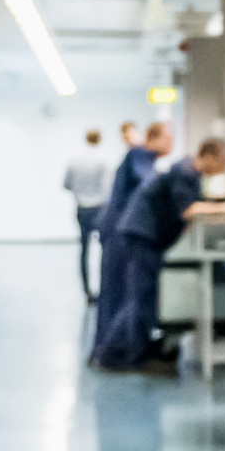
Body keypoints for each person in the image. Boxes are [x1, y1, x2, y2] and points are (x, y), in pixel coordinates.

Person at [95, 136, 225, 371]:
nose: (223, 169)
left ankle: (128, 351)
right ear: (209, 156)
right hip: (142, 236)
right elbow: (189, 209)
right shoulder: (184, 172)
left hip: (148, 238)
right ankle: (114, 353)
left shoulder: (190, 175)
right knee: (139, 299)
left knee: (145, 299)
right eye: (223, 162)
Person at [89, 121, 166, 366]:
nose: (171, 143)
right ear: (153, 138)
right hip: (119, 231)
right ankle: (110, 351)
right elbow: (148, 183)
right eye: (168, 137)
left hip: (118, 228)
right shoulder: (140, 154)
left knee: (118, 291)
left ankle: (110, 348)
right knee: (120, 292)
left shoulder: (142, 156)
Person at [62, 127, 121, 301]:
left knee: (84, 250)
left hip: (82, 208)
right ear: (99, 139)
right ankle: (104, 288)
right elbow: (108, 188)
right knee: (105, 249)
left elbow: (66, 184)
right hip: (100, 209)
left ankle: (87, 291)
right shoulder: (104, 160)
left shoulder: (74, 160)